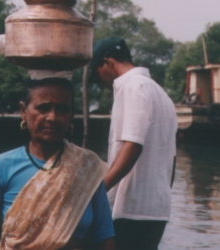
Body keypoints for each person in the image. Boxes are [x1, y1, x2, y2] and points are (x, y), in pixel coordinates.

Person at [0, 77, 115, 250]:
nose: (53, 117)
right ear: (23, 111)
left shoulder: (87, 167)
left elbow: (105, 237)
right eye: (43, 108)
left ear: (71, 115)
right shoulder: (0, 167)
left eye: (62, 109)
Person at [88, 37, 177, 250]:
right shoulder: (161, 93)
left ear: (107, 62)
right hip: (156, 209)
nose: (100, 81)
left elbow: (132, 145)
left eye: (97, 72)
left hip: (131, 208)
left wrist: (96, 191)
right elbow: (172, 159)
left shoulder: (132, 87)